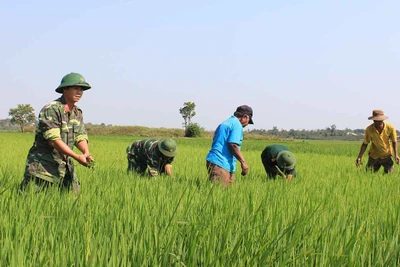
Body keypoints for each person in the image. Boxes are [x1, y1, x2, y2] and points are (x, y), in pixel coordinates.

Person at [19, 72, 94, 194]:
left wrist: (86, 153)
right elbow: (54, 140)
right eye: (76, 88)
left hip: (64, 168)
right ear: (65, 89)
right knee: (31, 205)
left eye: (82, 89)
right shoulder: (51, 109)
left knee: (69, 204)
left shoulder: (77, 112)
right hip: (42, 169)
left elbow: (80, 136)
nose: (79, 92)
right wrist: (76, 157)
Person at [205, 105, 254, 187]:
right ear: (245, 117)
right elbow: (233, 144)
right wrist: (243, 162)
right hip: (221, 163)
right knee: (219, 194)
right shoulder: (237, 125)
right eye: (248, 121)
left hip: (214, 160)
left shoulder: (225, 123)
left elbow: (215, 139)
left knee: (226, 194)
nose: (247, 124)